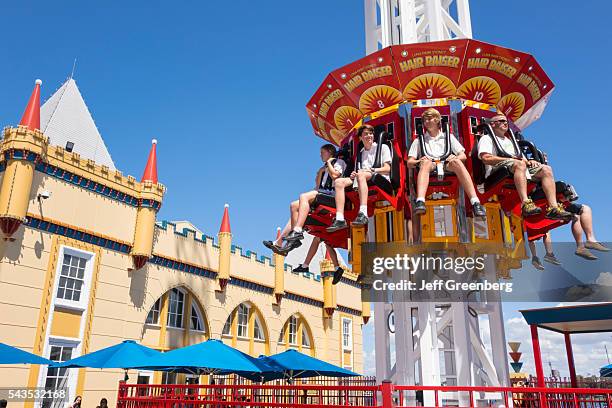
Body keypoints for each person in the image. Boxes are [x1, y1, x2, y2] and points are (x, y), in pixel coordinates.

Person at [478, 114, 572, 220]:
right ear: (493, 124)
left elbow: (522, 160)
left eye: (506, 122)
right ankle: (525, 203)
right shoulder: (486, 138)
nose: (505, 123)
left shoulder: (509, 141)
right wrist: (511, 160)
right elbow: (486, 158)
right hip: (497, 168)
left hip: (518, 166)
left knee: (546, 169)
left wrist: (530, 162)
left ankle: (553, 208)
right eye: (501, 121)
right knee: (519, 164)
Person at [263, 143, 346, 252]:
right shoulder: (323, 168)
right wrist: (320, 172)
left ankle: (297, 231)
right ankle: (283, 241)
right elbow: (318, 185)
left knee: (304, 196)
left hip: (331, 194)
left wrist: (329, 164)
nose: (320, 155)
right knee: (294, 205)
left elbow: (335, 176)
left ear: (330, 152)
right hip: (321, 191)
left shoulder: (339, 162)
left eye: (322, 153)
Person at [406, 108, 486, 217]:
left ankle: (475, 202)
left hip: (447, 164)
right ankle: (420, 201)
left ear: (438, 120)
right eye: (425, 120)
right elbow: (409, 162)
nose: (426, 122)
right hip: (430, 164)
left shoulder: (448, 137)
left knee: (458, 162)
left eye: (429, 119)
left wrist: (455, 157)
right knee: (425, 163)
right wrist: (419, 161)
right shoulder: (419, 140)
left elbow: (463, 155)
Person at [326, 124, 391, 231]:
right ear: (360, 137)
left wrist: (371, 170)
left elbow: (387, 168)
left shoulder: (383, 148)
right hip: (362, 177)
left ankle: (363, 213)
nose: (369, 136)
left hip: (379, 176)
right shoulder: (360, 154)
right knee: (338, 182)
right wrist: (354, 174)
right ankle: (340, 218)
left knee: (361, 175)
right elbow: (358, 170)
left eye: (371, 133)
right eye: (366, 134)